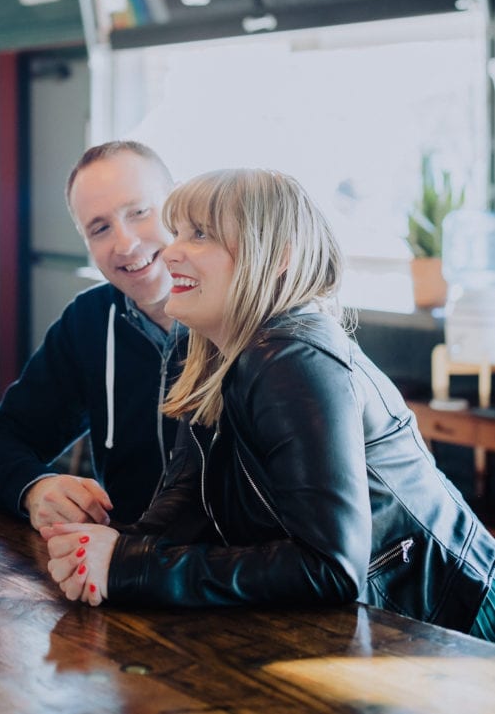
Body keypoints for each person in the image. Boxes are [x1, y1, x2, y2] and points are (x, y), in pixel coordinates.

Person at [43, 168, 495, 640]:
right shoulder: (214, 348)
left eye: (200, 235)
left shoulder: (295, 356)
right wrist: (104, 546)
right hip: (375, 628)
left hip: (456, 624)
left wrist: (129, 566)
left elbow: (330, 569)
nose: (171, 251)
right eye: (178, 232)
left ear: (276, 258)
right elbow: (186, 500)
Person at [0, 140, 188, 531]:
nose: (126, 243)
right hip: (113, 570)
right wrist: (38, 488)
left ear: (179, 206)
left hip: (234, 582)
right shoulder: (89, 320)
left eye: (139, 212)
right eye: (100, 228)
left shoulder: (251, 320)